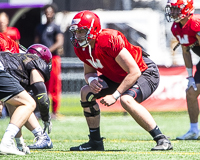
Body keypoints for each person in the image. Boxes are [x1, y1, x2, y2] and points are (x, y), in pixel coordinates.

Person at [68, 10, 173, 151]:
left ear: (93, 29)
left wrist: (115, 95)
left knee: (126, 100)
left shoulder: (108, 39)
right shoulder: (81, 48)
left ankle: (162, 139)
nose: (77, 35)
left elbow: (134, 71)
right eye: (75, 32)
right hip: (117, 75)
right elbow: (89, 73)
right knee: (86, 92)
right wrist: (92, 80)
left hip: (144, 71)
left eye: (81, 31)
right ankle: (95, 141)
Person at [0, 44, 53, 155]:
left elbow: (13, 107)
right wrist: (46, 118)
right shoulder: (35, 60)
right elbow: (42, 97)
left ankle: (14, 144)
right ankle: (6, 143)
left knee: (18, 103)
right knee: (29, 103)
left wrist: (20, 143)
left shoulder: (16, 63)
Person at [165, 0, 200, 140]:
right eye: (172, 9)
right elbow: (186, 51)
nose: (173, 12)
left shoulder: (196, 23)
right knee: (191, 92)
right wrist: (190, 76)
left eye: (176, 9)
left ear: (187, 9)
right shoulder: (176, 27)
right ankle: (194, 130)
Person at [34, 4, 64, 119]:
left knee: (55, 85)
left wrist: (46, 51)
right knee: (41, 85)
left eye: (50, 12)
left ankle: (54, 112)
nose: (48, 14)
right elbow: (36, 42)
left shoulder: (56, 27)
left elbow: (60, 42)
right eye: (46, 12)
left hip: (54, 59)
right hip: (41, 60)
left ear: (53, 13)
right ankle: (41, 110)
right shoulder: (39, 28)